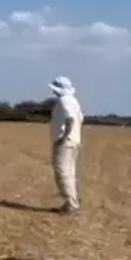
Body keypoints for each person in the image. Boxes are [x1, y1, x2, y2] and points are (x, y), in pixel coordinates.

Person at [49, 76, 84, 215]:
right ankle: (71, 202)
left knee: (63, 173)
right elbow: (80, 118)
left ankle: (72, 205)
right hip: (73, 141)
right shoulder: (73, 101)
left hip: (65, 142)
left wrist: (64, 137)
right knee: (69, 173)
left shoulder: (64, 101)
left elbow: (70, 119)